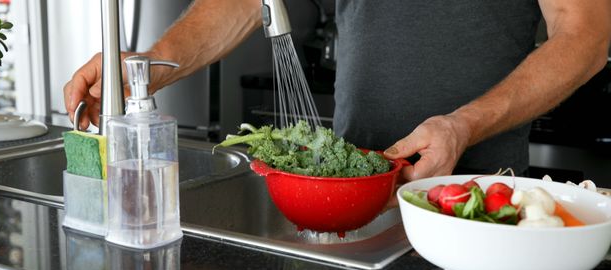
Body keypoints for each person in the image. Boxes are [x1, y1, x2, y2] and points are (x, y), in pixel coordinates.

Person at [65, 0, 611, 187]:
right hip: (351, 193)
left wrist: (463, 124)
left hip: (469, 200)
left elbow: (587, 32)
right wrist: (147, 67)